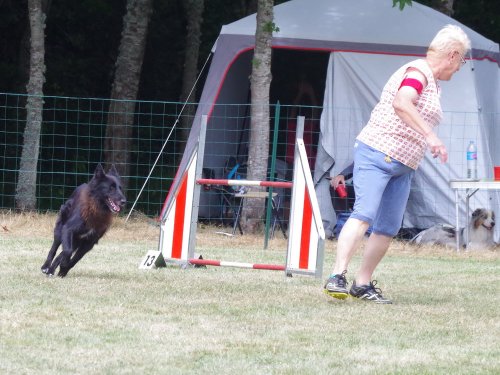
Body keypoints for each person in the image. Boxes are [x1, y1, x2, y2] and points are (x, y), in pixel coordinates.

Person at [323, 25, 471, 304]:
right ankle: (337, 276)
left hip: (404, 165)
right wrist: (431, 136)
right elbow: (402, 103)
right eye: (462, 60)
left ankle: (362, 284)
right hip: (378, 154)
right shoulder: (418, 73)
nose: (461, 67)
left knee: (388, 227)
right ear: (452, 55)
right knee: (364, 213)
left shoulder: (433, 82)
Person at [314, 160, 354, 239]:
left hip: (370, 193)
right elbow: (355, 164)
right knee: (336, 186)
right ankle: (342, 227)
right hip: (358, 188)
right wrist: (341, 175)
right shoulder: (363, 153)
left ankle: (364, 233)